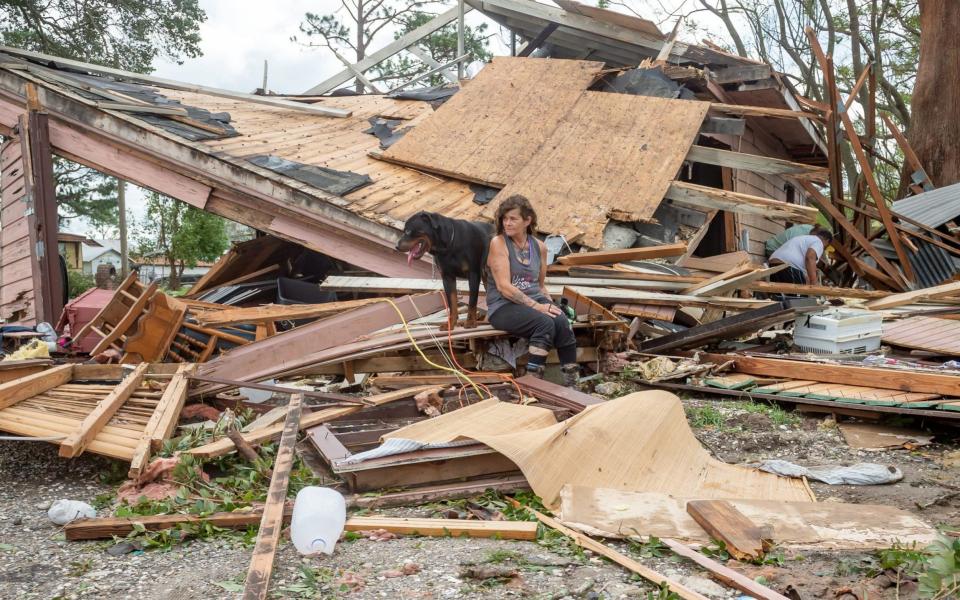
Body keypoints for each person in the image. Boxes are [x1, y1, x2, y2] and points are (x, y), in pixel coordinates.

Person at [485, 195, 579, 386]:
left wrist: (551, 304)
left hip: (533, 301)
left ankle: (573, 382)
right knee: (544, 323)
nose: (507, 223)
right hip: (504, 306)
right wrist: (538, 307)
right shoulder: (499, 243)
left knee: (562, 322)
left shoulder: (540, 247)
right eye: (505, 219)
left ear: (527, 221)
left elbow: (539, 285)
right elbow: (504, 287)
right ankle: (533, 384)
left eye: (513, 219)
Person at [769, 227, 833, 285]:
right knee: (802, 295)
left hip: (773, 266)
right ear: (827, 240)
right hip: (785, 267)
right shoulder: (819, 242)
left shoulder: (804, 238)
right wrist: (814, 281)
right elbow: (810, 258)